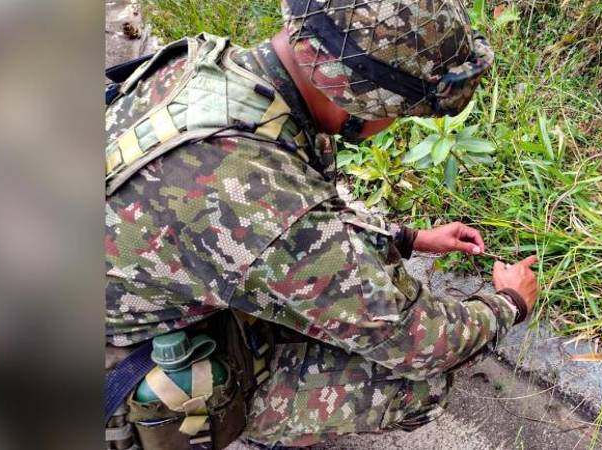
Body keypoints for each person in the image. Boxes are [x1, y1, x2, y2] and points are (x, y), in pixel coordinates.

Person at [101, 0, 539, 448]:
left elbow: (300, 224)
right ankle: (248, 427)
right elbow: (420, 343)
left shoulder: (219, 70)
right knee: (416, 387)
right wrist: (508, 303)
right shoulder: (257, 194)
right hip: (111, 370)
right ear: (364, 98)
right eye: (402, 111)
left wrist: (407, 239)